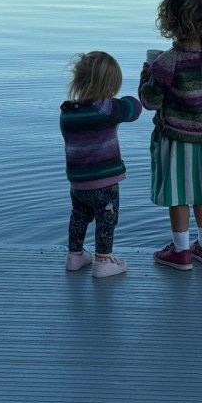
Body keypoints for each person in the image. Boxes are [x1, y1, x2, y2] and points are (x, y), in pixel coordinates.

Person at [139, 0, 202, 270]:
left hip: (177, 139)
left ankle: (181, 252)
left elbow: (150, 101)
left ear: (169, 22)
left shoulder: (167, 62)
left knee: (177, 196)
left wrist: (147, 73)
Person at [60, 51, 142, 278]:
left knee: (79, 216)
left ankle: (75, 256)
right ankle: (103, 261)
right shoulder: (107, 108)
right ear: (110, 84)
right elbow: (135, 108)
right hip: (105, 182)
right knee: (106, 219)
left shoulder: (67, 112)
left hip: (78, 182)